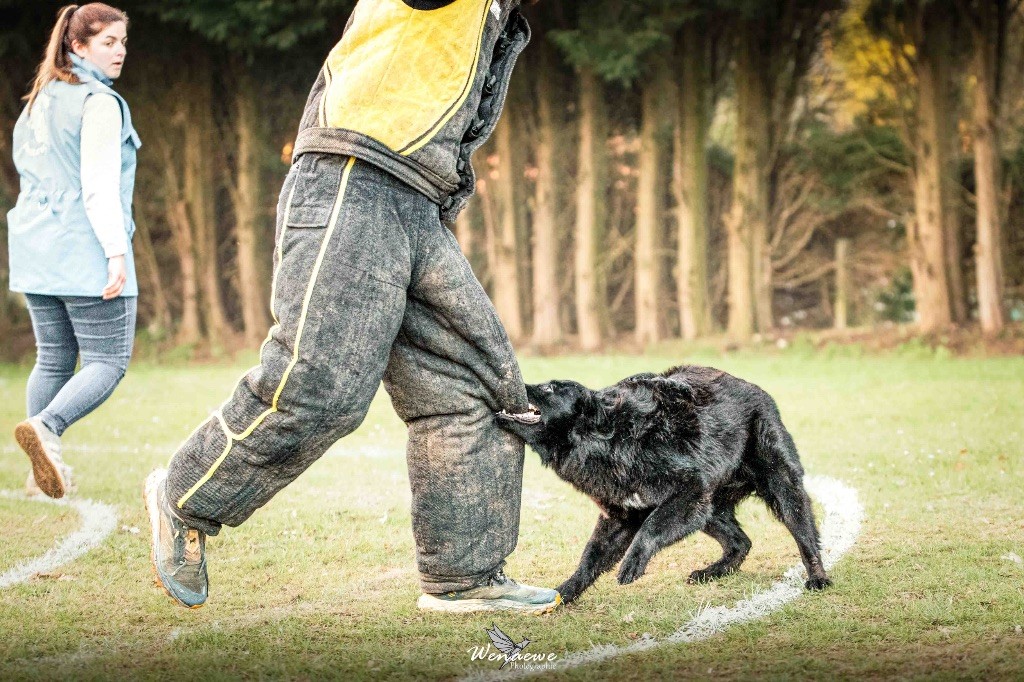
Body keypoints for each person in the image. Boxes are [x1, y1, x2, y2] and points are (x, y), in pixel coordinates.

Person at [145, 0, 559, 613]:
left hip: (419, 204)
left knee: (471, 383)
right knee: (321, 385)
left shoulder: (499, 14)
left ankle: (464, 575)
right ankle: (186, 495)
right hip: (353, 174)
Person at [9, 3, 139, 500]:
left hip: (35, 249)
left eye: (123, 41)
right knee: (108, 361)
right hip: (83, 248)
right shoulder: (98, 103)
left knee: (54, 359)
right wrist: (116, 252)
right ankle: (47, 427)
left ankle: (37, 476)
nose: (120, 51)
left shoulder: (40, 98)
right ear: (77, 46)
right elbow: (98, 187)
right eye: (108, 42)